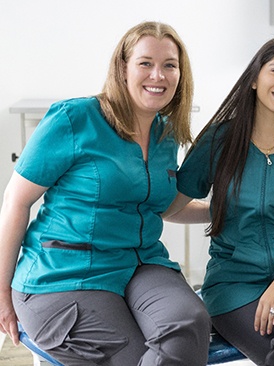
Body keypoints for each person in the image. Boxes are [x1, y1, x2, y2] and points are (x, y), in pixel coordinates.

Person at [0, 21, 211, 366]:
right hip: (63, 273)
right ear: (123, 68)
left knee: (189, 324)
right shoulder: (75, 119)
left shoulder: (165, 134)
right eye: (145, 63)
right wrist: (1, 291)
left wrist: (222, 210)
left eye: (169, 65)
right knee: (134, 356)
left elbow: (160, 206)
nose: (158, 75)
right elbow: (16, 201)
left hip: (139, 263)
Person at [164, 34, 274, 366]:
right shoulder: (218, 141)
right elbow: (169, 206)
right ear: (256, 78)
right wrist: (216, 211)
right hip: (234, 283)